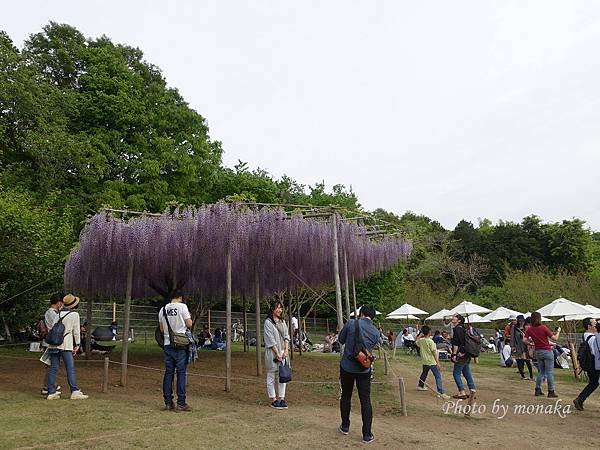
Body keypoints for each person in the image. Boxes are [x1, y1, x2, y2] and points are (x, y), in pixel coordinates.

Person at [338, 305, 379, 444]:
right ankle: (367, 434)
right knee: (365, 400)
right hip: (364, 369)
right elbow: (369, 349)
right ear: (372, 317)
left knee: (346, 396)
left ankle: (345, 426)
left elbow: (341, 340)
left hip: (347, 367)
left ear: (360, 313)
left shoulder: (350, 323)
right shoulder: (375, 332)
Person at [46, 294, 88, 400]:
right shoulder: (74, 315)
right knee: (70, 368)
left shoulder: (58, 314)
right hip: (65, 344)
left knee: (53, 368)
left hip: (54, 344)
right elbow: (76, 331)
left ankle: (51, 392)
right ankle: (74, 390)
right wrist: (78, 344)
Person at [158, 290, 193, 412]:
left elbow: (162, 329)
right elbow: (189, 324)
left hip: (168, 344)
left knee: (168, 373)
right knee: (181, 373)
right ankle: (181, 403)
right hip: (181, 344)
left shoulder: (163, 310)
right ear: (179, 297)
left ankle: (168, 402)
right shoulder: (182, 307)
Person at [524, 311, 561, 398]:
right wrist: (558, 331)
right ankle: (551, 391)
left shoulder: (530, 329)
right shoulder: (543, 328)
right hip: (547, 351)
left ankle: (537, 389)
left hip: (538, 352)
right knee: (549, 372)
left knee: (541, 371)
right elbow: (555, 338)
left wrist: (531, 344)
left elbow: (524, 340)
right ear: (539, 318)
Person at [264, 300, 290, 410]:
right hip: (272, 353)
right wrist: (277, 353)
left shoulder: (282, 321)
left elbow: (286, 336)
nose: (279, 310)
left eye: (280, 308)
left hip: (283, 353)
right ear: (272, 309)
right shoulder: (268, 322)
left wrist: (286, 350)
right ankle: (273, 400)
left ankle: (282, 398)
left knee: (283, 375)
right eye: (277, 308)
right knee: (271, 376)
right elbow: (270, 340)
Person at [416, 325, 450, 400]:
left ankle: (420, 385)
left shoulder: (421, 340)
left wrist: (420, 335)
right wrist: (438, 362)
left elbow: (416, 342)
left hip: (425, 361)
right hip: (431, 362)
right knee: (438, 376)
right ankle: (440, 392)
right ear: (429, 332)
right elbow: (434, 352)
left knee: (424, 373)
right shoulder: (430, 341)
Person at [40, 292, 64, 396]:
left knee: (51, 365)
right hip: (51, 342)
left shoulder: (51, 312)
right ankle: (48, 386)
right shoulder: (52, 313)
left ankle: (49, 384)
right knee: (51, 366)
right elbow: (57, 325)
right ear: (59, 303)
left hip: (50, 341)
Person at [573, 317, 599, 410]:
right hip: (595, 364)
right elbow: (596, 352)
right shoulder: (592, 338)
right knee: (594, 383)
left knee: (593, 383)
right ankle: (580, 399)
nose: (596, 325)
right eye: (594, 323)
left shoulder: (586, 335)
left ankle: (580, 399)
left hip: (590, 364)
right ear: (589, 326)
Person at [450, 313, 476, 400]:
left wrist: (454, 354)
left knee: (456, 373)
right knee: (467, 373)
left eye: (454, 317)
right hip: (468, 352)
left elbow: (456, 343)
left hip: (461, 354)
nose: (452, 318)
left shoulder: (457, 329)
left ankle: (462, 392)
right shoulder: (464, 329)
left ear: (459, 320)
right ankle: (472, 391)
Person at [510, 315, 533, 380]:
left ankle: (531, 375)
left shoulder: (526, 327)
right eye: (519, 321)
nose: (520, 322)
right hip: (517, 346)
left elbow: (529, 336)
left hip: (525, 346)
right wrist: (512, 346)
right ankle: (522, 375)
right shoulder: (514, 328)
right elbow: (512, 337)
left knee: (527, 361)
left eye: (522, 321)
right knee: (519, 361)